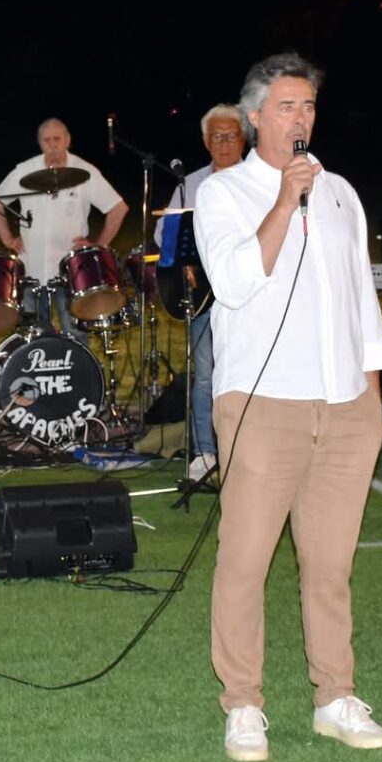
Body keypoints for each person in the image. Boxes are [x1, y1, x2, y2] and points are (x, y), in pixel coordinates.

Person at [194, 52, 382, 762]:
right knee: (245, 562)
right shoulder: (222, 194)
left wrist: (371, 396)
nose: (300, 118)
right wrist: (283, 202)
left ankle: (334, 696)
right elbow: (234, 283)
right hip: (262, 403)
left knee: (330, 565)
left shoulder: (340, 192)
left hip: (344, 406)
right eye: (285, 106)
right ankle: (243, 704)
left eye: (307, 106)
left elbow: (359, 294)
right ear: (254, 117)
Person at [154, 104, 245, 480]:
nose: (224, 143)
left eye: (231, 135)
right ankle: (206, 452)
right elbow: (164, 234)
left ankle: (246, 448)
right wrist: (184, 262)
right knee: (205, 374)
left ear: (244, 139)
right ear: (206, 142)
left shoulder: (261, 179)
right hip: (205, 295)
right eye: (217, 137)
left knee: (248, 372)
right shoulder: (189, 185)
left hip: (249, 293)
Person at [0, 118, 128, 336]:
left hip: (72, 273)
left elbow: (118, 208)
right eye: (47, 140)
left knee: (76, 337)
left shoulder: (85, 171)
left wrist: (98, 246)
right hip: (31, 268)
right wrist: (8, 239)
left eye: (57, 139)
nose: (53, 145)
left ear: (67, 140)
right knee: (34, 338)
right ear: (40, 143)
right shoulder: (25, 170)